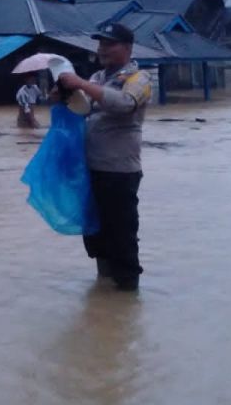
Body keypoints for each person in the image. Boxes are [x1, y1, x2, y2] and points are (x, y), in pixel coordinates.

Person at [53, 23, 153, 291]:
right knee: (96, 236)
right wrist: (65, 94)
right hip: (91, 170)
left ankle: (127, 297)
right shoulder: (97, 77)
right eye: (100, 44)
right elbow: (81, 107)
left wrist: (81, 83)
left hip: (120, 173)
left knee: (122, 237)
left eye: (110, 44)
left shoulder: (140, 78)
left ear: (128, 48)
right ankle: (105, 293)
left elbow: (124, 104)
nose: (103, 49)